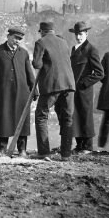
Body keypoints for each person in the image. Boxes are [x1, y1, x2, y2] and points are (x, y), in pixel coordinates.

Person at [0, 26, 36, 156]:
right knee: (4, 120)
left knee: (22, 121)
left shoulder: (23, 53)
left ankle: (22, 150)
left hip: (22, 94)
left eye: (19, 39)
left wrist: (34, 90)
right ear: (8, 37)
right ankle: (2, 149)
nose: (17, 41)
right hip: (3, 94)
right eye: (15, 38)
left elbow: (29, 73)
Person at [31, 21, 76, 160]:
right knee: (67, 118)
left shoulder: (41, 42)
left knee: (41, 116)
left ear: (42, 31)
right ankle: (66, 154)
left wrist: (42, 61)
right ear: (53, 31)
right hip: (69, 84)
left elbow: (37, 64)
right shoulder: (63, 42)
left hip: (52, 85)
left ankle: (44, 152)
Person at [68, 21, 104, 153]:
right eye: (76, 34)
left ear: (86, 34)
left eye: (81, 34)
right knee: (75, 116)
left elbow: (99, 73)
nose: (78, 37)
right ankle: (79, 145)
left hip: (84, 90)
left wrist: (84, 83)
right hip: (74, 90)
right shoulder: (74, 49)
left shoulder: (91, 49)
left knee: (86, 116)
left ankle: (88, 147)